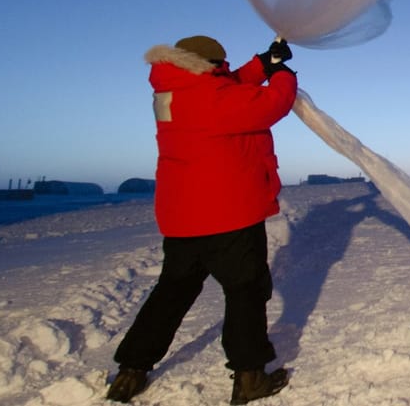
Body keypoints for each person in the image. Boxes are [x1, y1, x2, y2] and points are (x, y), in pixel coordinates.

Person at [105, 35, 297, 405]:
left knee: (171, 293)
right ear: (209, 65)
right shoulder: (216, 98)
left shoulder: (171, 92)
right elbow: (272, 103)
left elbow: (224, 88)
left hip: (182, 219)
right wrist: (282, 74)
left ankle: (131, 371)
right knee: (246, 292)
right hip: (229, 216)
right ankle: (250, 377)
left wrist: (262, 64)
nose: (225, 71)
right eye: (221, 66)